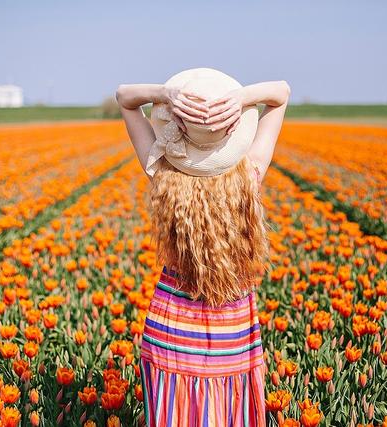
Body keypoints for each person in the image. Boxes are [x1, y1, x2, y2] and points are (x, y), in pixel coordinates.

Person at [115, 67, 290, 427]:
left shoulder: (163, 175)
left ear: (178, 126)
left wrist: (166, 94)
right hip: (233, 333)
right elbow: (281, 94)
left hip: (172, 329)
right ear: (233, 129)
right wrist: (241, 98)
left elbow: (124, 98)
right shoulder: (249, 178)